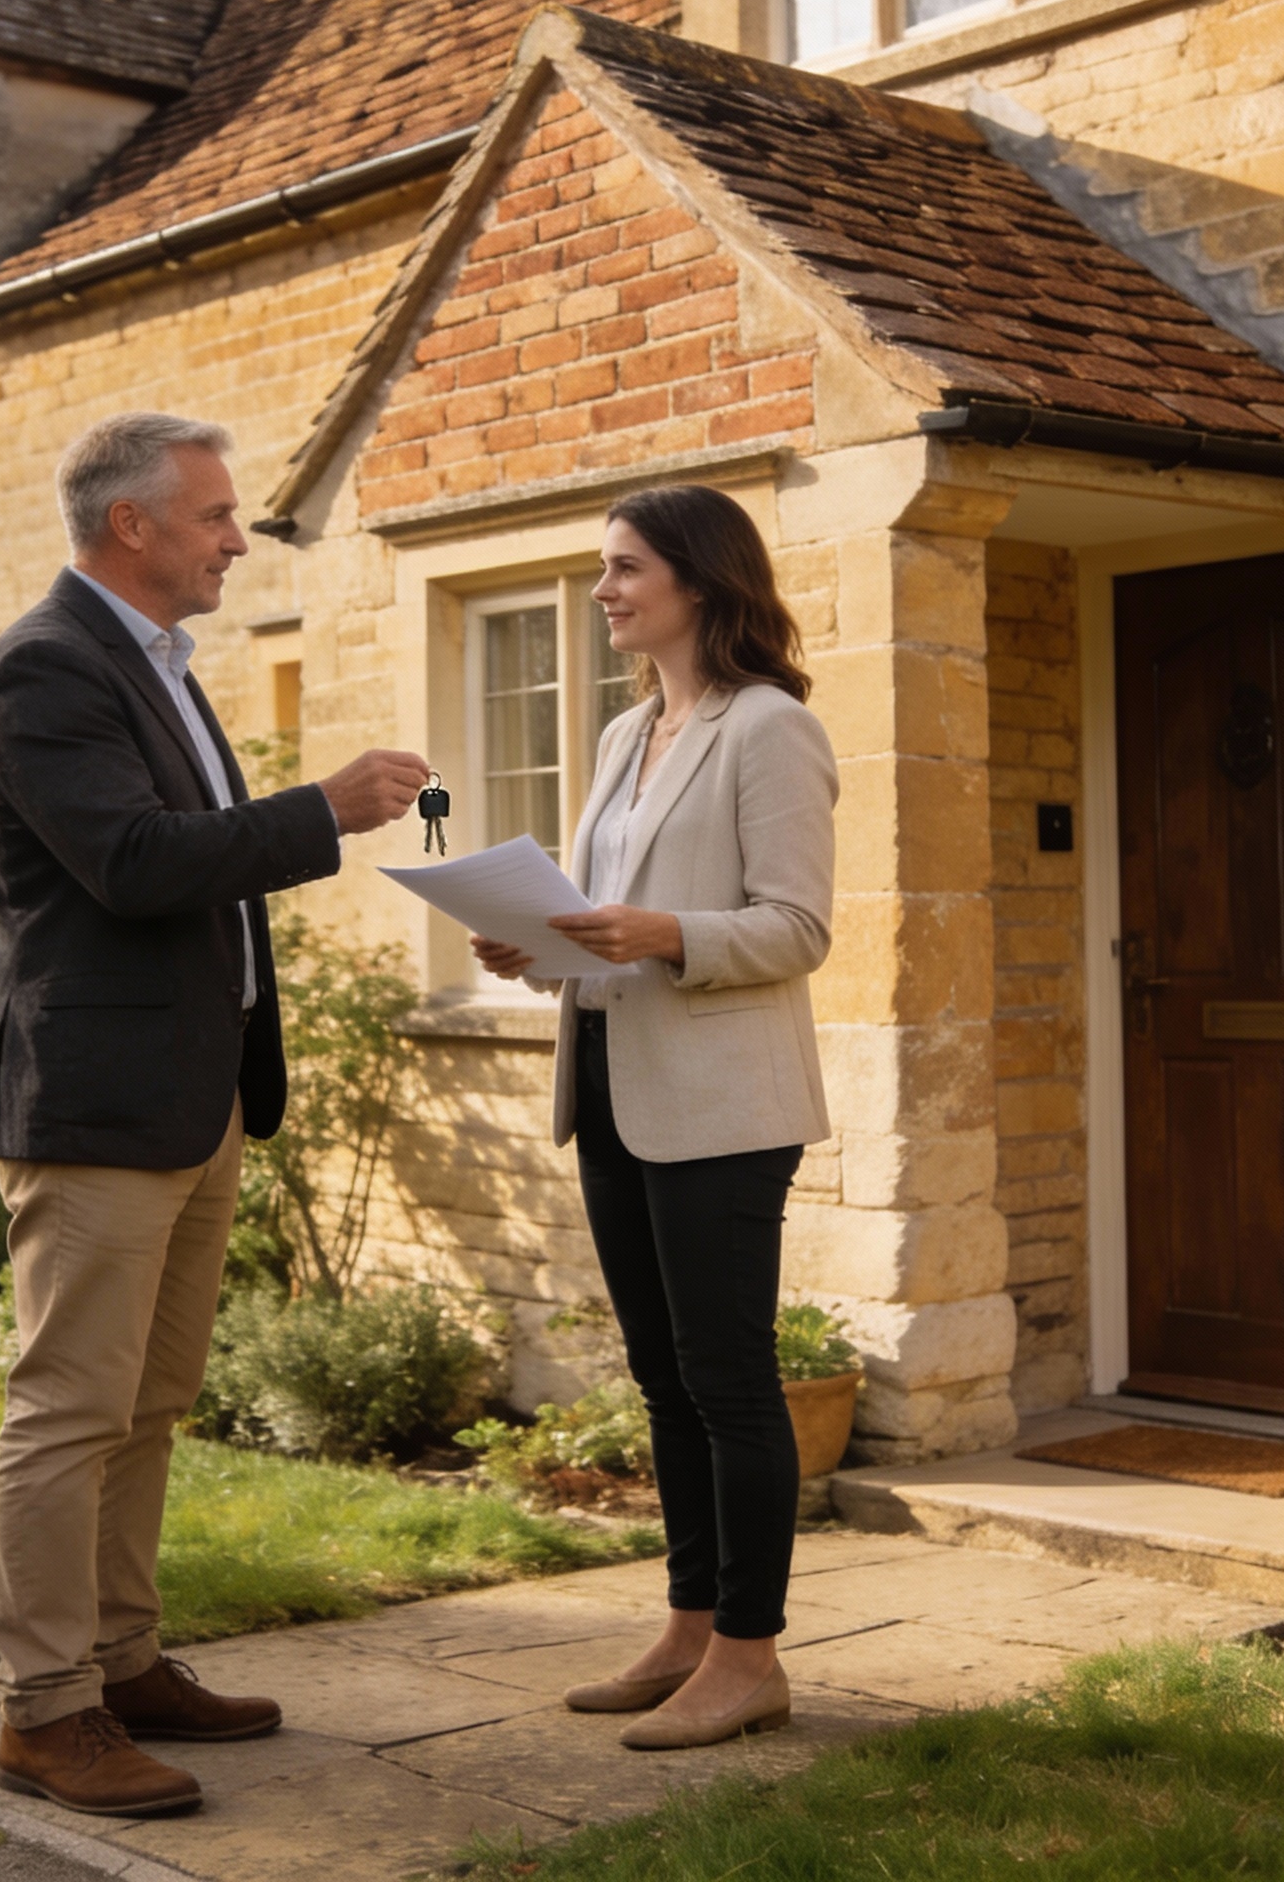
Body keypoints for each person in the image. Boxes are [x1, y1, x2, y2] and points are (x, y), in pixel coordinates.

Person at [0, 412, 428, 1817]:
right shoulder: (47, 666)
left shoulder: (156, 663)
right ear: (132, 525)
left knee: (150, 1402)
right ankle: (46, 1712)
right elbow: (133, 861)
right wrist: (322, 809)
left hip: (193, 1094)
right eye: (216, 515)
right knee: (69, 1410)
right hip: (96, 1106)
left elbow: (188, 866)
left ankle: (122, 1660)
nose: (237, 538)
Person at [471, 484, 836, 1752]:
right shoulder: (627, 732)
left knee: (728, 1380)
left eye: (625, 567)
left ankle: (748, 1654)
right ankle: (686, 1628)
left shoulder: (769, 727)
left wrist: (665, 932)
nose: (602, 589)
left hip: (723, 1105)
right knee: (662, 1379)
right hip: (610, 1083)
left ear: (699, 579)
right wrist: (538, 945)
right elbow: (610, 917)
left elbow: (797, 926)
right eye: (602, 567)